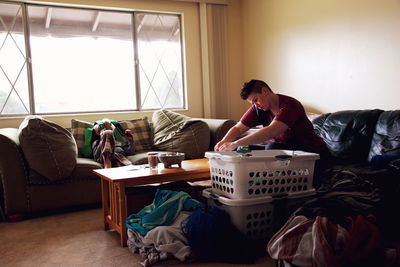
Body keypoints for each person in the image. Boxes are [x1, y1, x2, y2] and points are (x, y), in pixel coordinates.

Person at [214, 79, 329, 156]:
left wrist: (235, 143)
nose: (256, 105)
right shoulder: (259, 108)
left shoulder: (290, 105)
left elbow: (271, 132)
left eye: (256, 100)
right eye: (252, 103)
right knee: (242, 150)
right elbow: (239, 128)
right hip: (285, 151)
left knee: (272, 147)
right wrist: (224, 141)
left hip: (310, 153)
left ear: (265, 91)